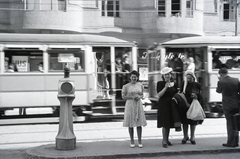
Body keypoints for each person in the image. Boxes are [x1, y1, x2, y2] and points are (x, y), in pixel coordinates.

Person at [122, 70, 147, 148]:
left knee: (139, 123)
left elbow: (143, 94)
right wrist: (131, 97)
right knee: (130, 123)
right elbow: (123, 96)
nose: (134, 78)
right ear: (130, 77)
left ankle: (139, 140)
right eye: (132, 77)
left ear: (137, 78)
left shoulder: (140, 85)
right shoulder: (126, 86)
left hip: (138, 104)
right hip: (130, 104)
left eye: (135, 77)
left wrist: (140, 97)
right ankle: (132, 140)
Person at [216, 67, 240, 147]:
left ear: (221, 74)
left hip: (227, 106)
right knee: (235, 124)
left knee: (230, 124)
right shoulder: (236, 80)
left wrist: (219, 80)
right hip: (236, 104)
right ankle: (236, 142)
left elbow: (218, 91)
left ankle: (230, 142)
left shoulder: (221, 82)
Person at [156, 67, 178, 148]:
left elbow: (176, 93)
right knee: (165, 123)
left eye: (168, 74)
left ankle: (167, 139)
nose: (167, 76)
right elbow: (159, 95)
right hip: (163, 105)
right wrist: (165, 87)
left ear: (171, 75)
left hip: (171, 105)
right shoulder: (160, 83)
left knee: (169, 123)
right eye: (165, 75)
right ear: (163, 76)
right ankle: (164, 140)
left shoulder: (174, 84)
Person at [180, 70, 203, 145]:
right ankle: (185, 136)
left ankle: (192, 137)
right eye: (187, 78)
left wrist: (196, 96)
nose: (189, 80)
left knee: (193, 121)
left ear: (193, 78)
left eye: (190, 78)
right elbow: (181, 94)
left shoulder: (197, 85)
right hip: (185, 104)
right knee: (185, 122)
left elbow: (201, 95)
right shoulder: (184, 84)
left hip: (193, 104)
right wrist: (186, 103)